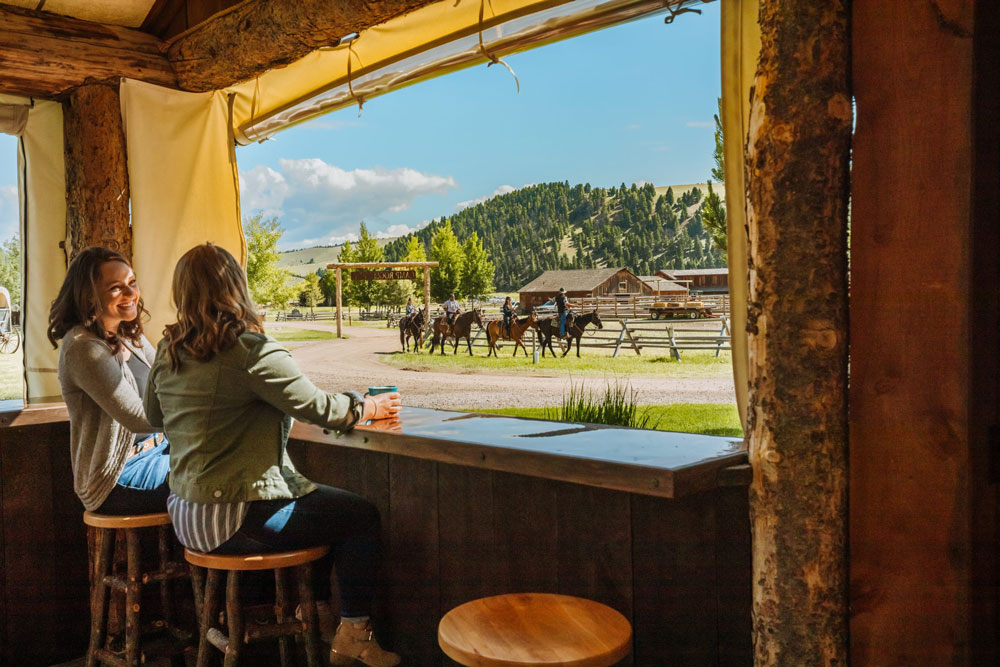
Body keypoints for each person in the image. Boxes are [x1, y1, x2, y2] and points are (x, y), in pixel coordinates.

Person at [144, 244, 401, 667]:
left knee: (317, 506)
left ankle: (310, 613)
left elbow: (155, 415)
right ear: (236, 288)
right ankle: (352, 632)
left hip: (185, 514)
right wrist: (367, 406)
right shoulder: (250, 351)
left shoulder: (169, 349)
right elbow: (319, 408)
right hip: (232, 515)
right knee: (359, 516)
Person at [47, 247, 169, 515]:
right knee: (213, 477)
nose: (130, 294)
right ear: (89, 296)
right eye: (116, 288)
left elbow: (171, 375)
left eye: (132, 283)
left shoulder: (129, 335)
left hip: (160, 449)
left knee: (224, 463)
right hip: (118, 475)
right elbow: (138, 417)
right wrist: (202, 413)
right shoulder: (83, 347)